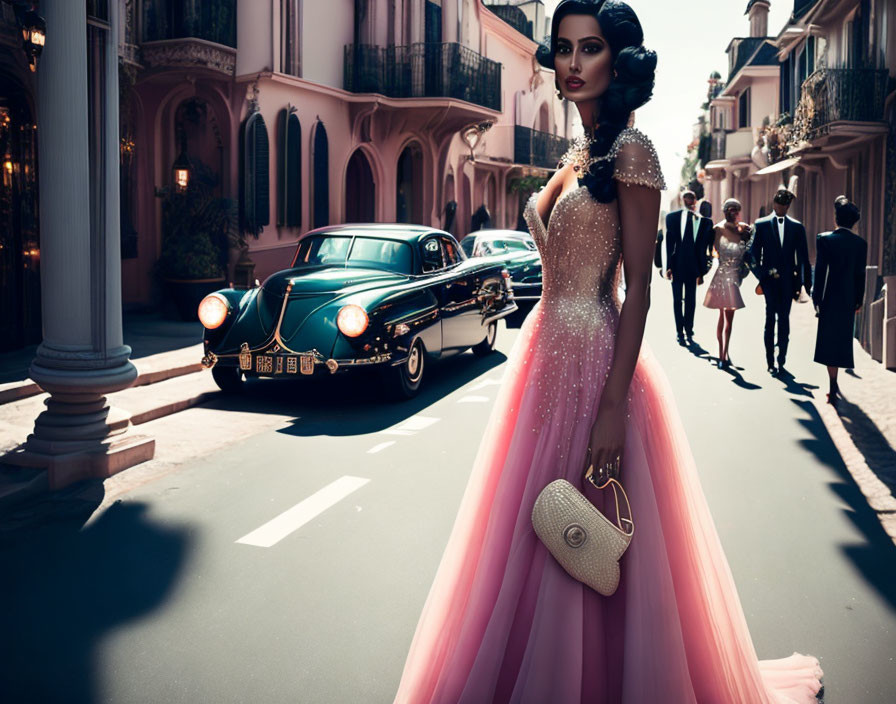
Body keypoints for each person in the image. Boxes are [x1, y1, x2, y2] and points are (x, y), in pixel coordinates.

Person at [393, 2, 823, 702]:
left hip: (594, 357)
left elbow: (641, 294)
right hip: (543, 353)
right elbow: (548, 239)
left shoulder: (634, 151)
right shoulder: (579, 154)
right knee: (536, 526)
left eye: (588, 48)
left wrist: (615, 404)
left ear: (616, 62)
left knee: (590, 532)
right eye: (563, 48)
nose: (571, 61)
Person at [748, 186, 812, 376]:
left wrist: (806, 285)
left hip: (788, 283)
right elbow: (751, 255)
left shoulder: (797, 227)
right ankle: (770, 360)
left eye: (786, 205)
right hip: (768, 282)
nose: (782, 207)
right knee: (770, 320)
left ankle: (781, 359)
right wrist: (762, 275)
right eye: (780, 203)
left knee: (784, 320)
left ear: (788, 206)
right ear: (774, 203)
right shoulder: (761, 225)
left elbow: (803, 258)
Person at [813, 195, 867, 407]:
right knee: (842, 342)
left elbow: (820, 271)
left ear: (836, 218)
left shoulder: (825, 239)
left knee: (829, 343)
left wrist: (817, 298)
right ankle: (834, 384)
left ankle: (832, 383)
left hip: (829, 297)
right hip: (847, 298)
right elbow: (859, 275)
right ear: (853, 222)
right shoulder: (860, 244)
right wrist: (858, 301)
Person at [703, 199, 752, 369]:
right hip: (722, 274)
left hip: (734, 277)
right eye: (731, 210)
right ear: (725, 211)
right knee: (722, 316)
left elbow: (749, 251)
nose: (734, 212)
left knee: (729, 319)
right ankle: (721, 353)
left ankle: (726, 351)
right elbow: (708, 251)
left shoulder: (745, 229)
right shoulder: (717, 229)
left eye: (737, 210)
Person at [664, 189, 714, 345]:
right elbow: (669, 243)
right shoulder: (671, 218)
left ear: (695, 200)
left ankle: (689, 329)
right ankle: (680, 331)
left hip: (693, 267)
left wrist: (702, 271)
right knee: (677, 300)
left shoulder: (703, 221)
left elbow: (706, 247)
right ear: (681, 198)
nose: (688, 199)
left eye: (691, 197)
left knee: (691, 300)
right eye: (686, 196)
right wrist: (668, 266)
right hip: (677, 266)